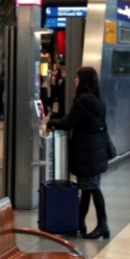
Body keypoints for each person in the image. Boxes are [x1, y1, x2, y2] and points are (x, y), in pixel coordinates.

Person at [48, 67, 111, 240]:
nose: (75, 79)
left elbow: (69, 123)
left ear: (83, 80)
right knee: (88, 188)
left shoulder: (82, 101)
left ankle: (102, 225)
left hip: (86, 151)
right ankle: (80, 222)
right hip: (96, 149)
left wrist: (52, 122)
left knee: (93, 188)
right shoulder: (98, 99)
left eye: (77, 76)